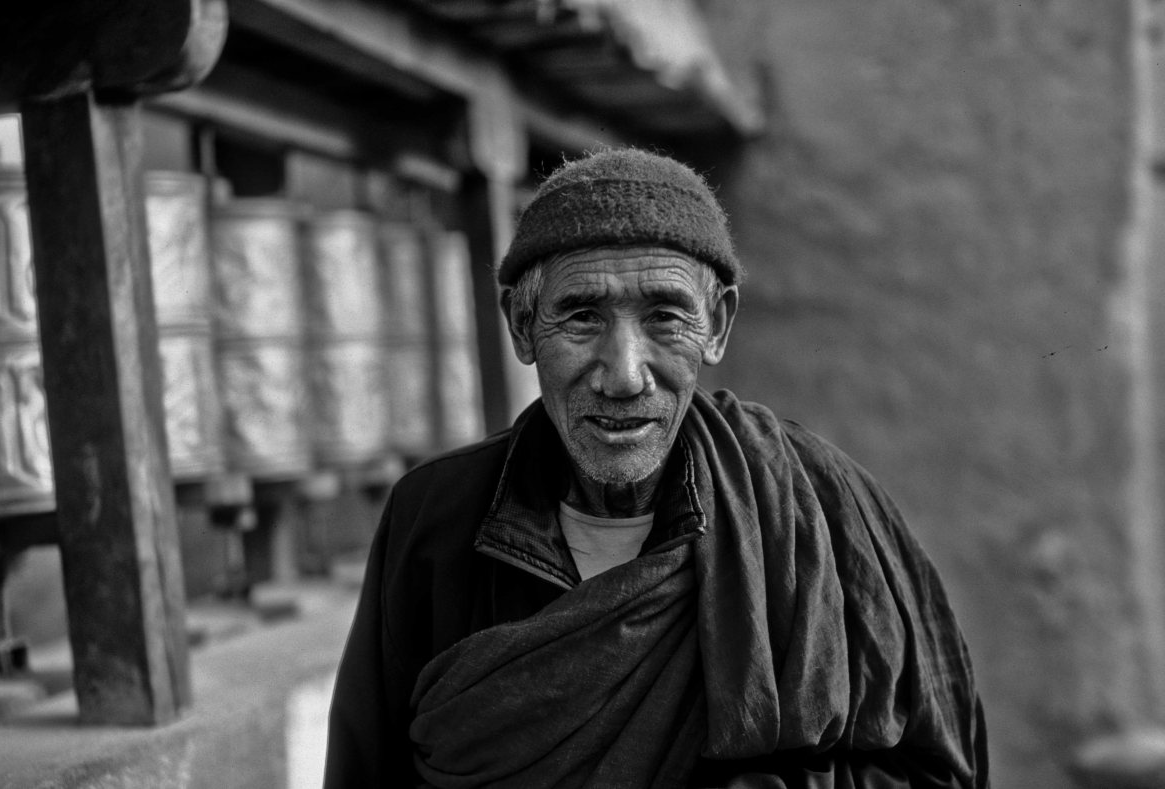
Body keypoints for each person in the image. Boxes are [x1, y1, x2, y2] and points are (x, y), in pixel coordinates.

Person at [324, 148, 988, 788]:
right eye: (582, 317)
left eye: (665, 317)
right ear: (523, 326)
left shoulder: (815, 501)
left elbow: (939, 761)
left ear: (717, 325)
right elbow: (367, 769)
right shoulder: (435, 517)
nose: (623, 375)